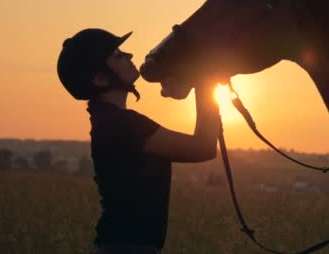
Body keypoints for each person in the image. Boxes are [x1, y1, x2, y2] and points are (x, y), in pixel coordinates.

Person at [56, 28, 222, 254]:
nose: (129, 56)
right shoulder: (124, 125)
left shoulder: (108, 121)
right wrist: (207, 81)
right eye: (117, 55)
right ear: (100, 78)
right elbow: (203, 147)